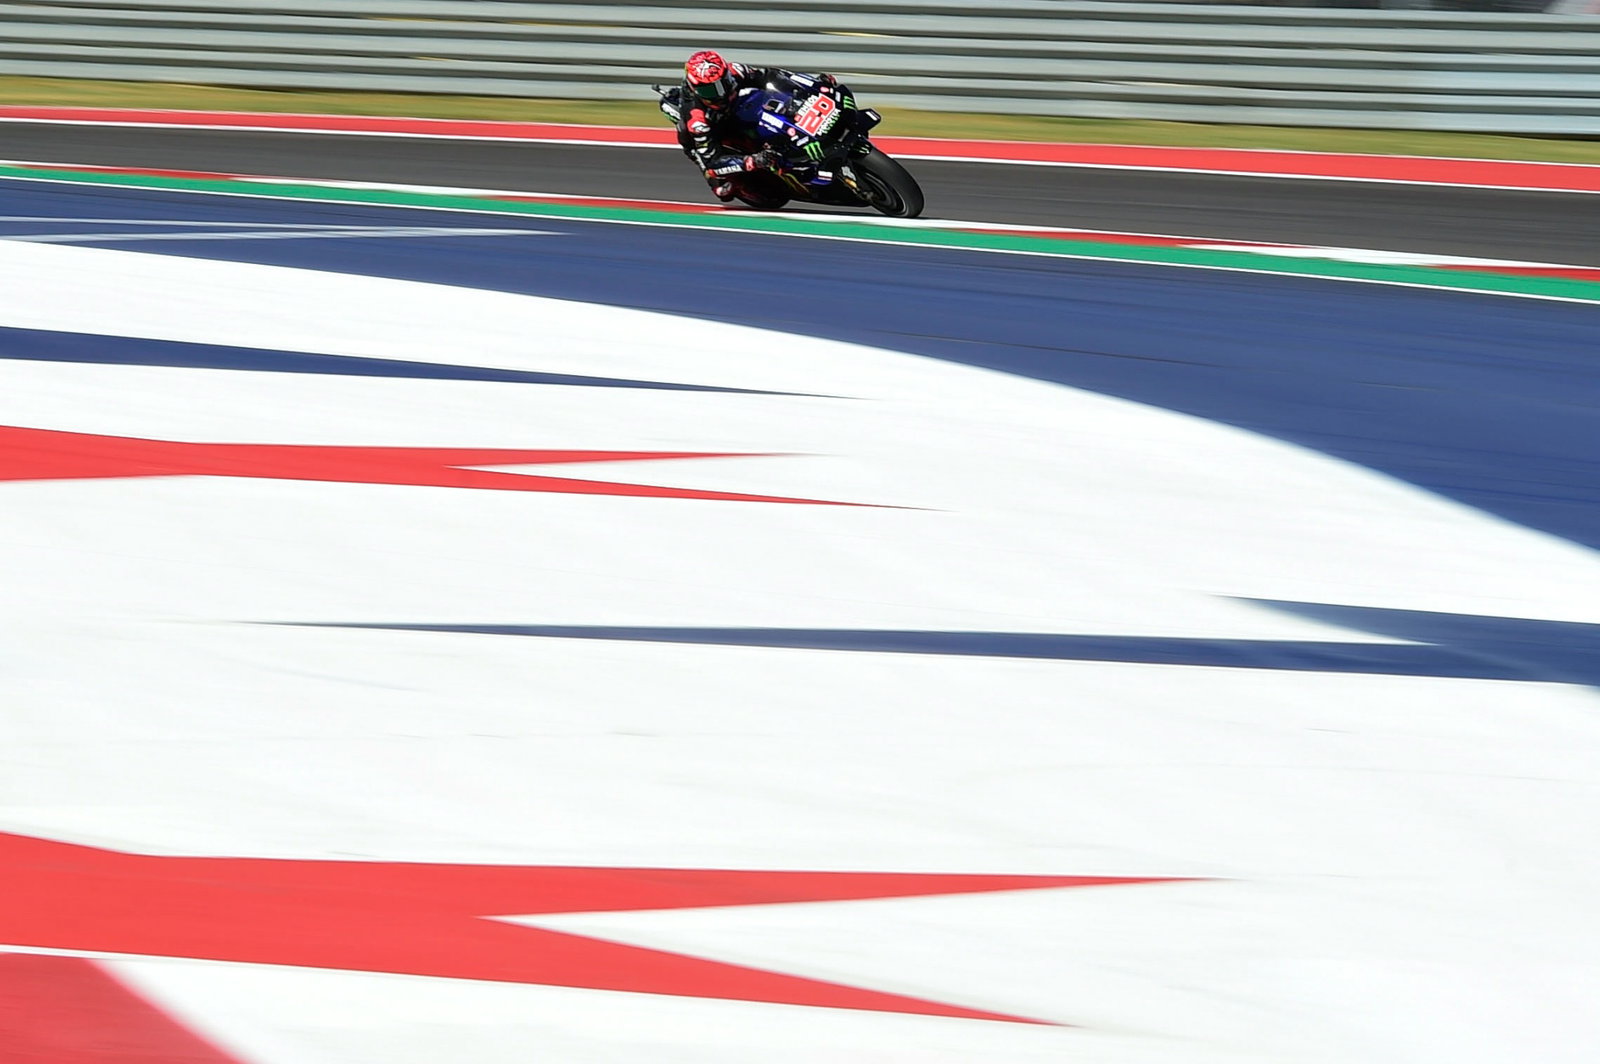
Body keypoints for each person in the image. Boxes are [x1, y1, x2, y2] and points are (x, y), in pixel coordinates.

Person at [673, 50, 852, 201]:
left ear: (726, 73)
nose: (719, 92)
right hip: (710, 131)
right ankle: (734, 183)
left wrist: (813, 85)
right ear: (696, 89)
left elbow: (772, 76)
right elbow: (712, 162)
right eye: (710, 90)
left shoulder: (736, 71)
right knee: (722, 189)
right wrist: (751, 161)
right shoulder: (696, 120)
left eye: (722, 83)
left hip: (735, 110)